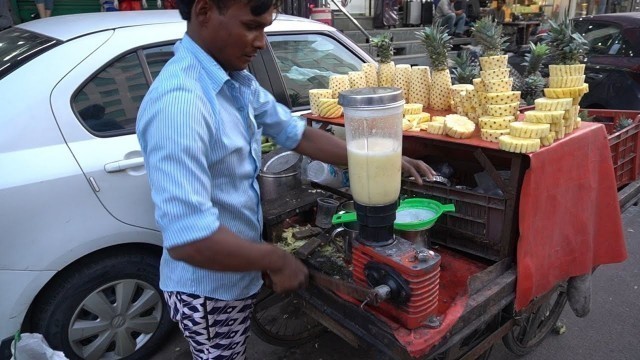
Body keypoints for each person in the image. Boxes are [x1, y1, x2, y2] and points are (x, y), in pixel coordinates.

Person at [136, 0, 436, 358]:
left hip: (237, 272)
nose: (261, 42)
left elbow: (298, 134)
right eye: (251, 26)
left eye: (264, 28)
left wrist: (384, 158)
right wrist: (275, 260)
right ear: (203, 12)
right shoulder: (181, 103)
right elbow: (189, 239)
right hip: (210, 289)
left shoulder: (235, 81)